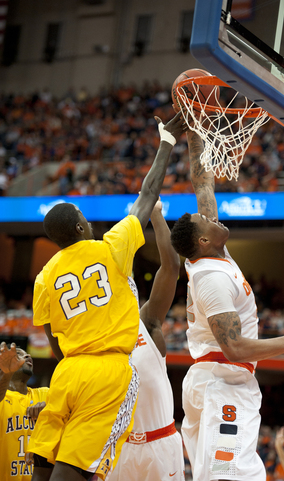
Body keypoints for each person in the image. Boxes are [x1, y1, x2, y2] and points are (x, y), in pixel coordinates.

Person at [26, 112, 187, 481]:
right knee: (77, 472)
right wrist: (167, 141)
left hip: (67, 372)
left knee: (43, 466)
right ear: (82, 226)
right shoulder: (110, 247)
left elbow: (53, 344)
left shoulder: (43, 277)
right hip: (107, 372)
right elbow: (148, 194)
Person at [170, 130, 284, 481]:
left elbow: (203, 187)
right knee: (229, 477)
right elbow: (233, 348)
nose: (214, 217)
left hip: (222, 382)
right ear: (203, 240)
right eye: (208, 221)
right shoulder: (212, 279)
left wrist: (193, 132)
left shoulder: (215, 257)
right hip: (222, 379)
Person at [109, 198, 185, 481]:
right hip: (121, 448)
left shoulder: (147, 321)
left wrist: (155, 215)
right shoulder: (98, 338)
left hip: (160, 443)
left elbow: (171, 267)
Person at [0, 342, 49, 481]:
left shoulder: (45, 394)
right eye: (18, 354)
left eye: (27, 354)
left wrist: (51, 408)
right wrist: (6, 374)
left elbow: (74, 408)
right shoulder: (2, 398)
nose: (27, 356)